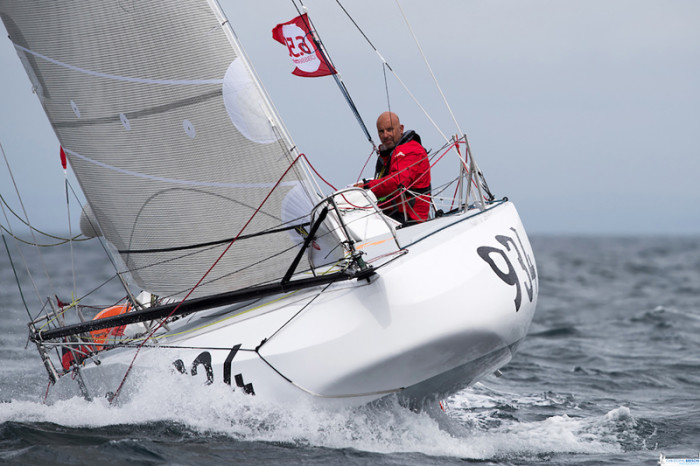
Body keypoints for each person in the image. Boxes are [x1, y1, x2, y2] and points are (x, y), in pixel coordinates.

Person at [355, 112, 431, 225]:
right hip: (391, 214)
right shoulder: (389, 153)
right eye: (381, 131)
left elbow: (397, 182)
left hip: (410, 220)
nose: (385, 135)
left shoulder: (411, 150)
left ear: (401, 129)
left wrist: (367, 186)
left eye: (389, 129)